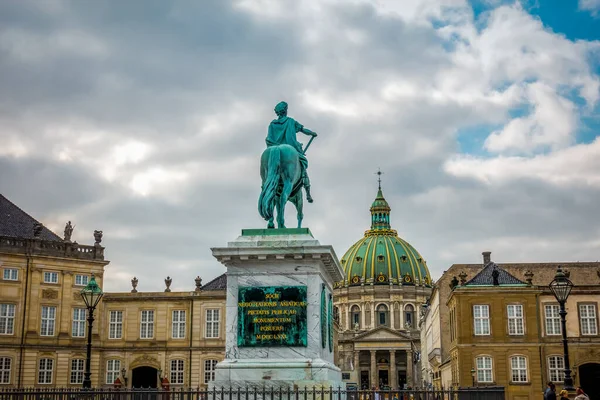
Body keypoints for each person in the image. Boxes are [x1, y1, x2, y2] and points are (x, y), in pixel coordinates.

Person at [266, 101, 318, 203]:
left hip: (273, 148)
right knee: (302, 164)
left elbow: (269, 139)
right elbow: (303, 130)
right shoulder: (291, 121)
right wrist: (312, 133)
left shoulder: (272, 125)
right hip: (291, 147)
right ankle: (308, 192)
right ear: (285, 111)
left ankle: (266, 185)